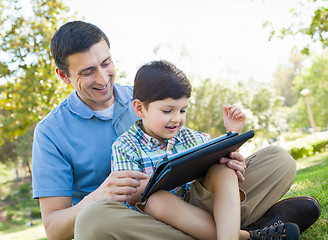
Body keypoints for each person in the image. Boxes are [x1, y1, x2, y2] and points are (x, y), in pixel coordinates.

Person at [32, 20, 320, 240]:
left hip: (189, 203)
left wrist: (227, 157)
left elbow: (188, 148)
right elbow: (54, 228)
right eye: (87, 71)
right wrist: (101, 194)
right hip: (136, 221)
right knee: (93, 219)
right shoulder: (51, 133)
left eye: (106, 63)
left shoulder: (148, 95)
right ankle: (248, 233)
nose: (102, 77)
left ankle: (228, 230)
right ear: (63, 75)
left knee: (278, 160)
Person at [110, 60, 300, 240]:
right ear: (140, 108)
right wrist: (167, 176)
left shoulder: (195, 138)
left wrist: (232, 141)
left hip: (205, 207)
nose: (177, 119)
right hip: (161, 223)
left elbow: (219, 177)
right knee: (156, 200)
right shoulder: (125, 146)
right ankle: (248, 235)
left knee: (274, 159)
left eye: (182, 110)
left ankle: (228, 233)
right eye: (167, 111)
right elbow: (129, 197)